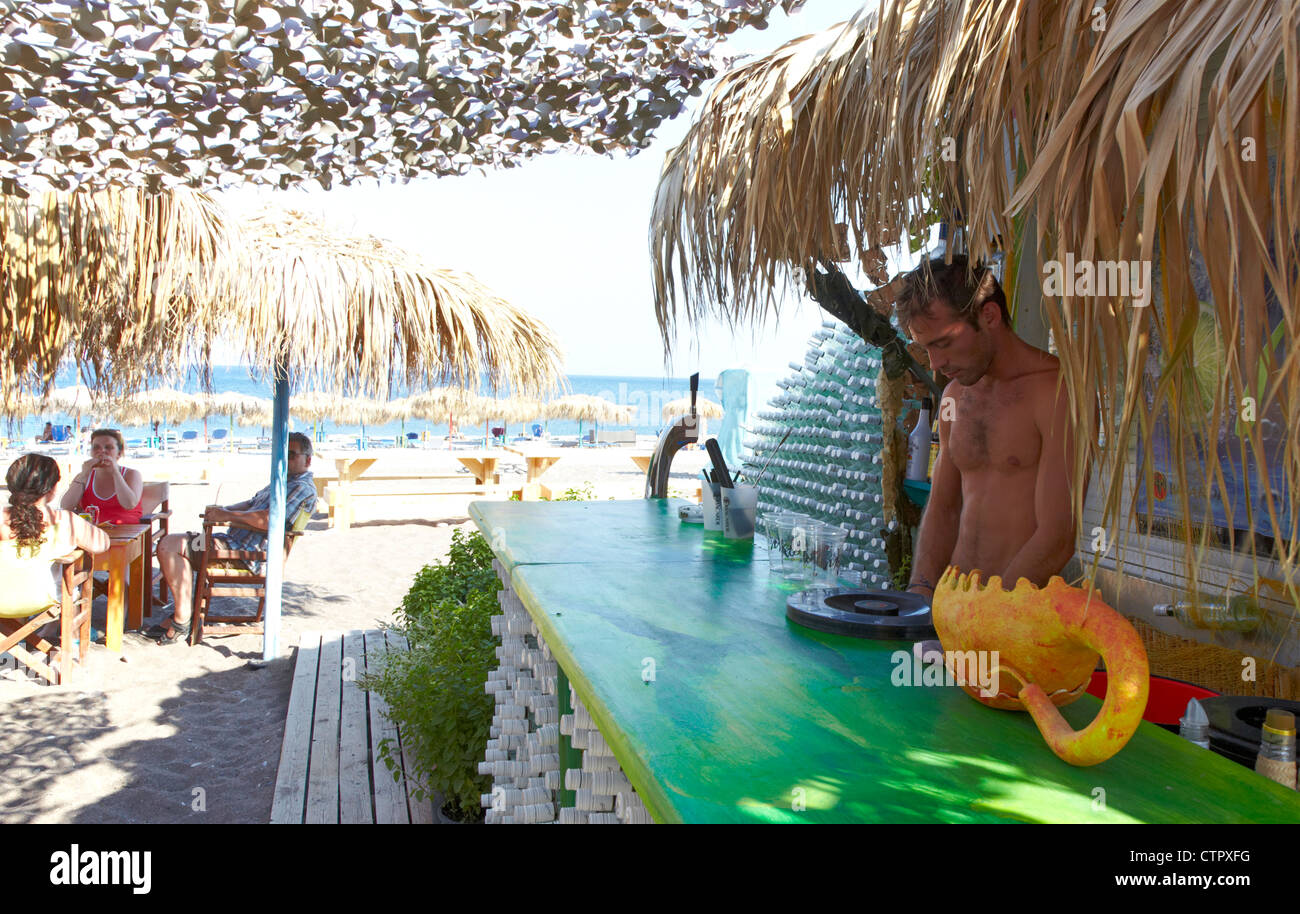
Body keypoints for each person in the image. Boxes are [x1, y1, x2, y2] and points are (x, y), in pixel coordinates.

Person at [895, 256, 1088, 599]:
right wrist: (920, 592)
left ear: (989, 316)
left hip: (1014, 616)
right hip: (953, 607)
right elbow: (942, 507)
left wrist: (987, 613)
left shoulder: (1058, 392)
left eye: (943, 343)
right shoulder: (954, 396)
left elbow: (1058, 535)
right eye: (927, 349)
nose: (936, 363)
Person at [151, 432, 317, 645]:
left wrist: (228, 516)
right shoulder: (282, 481)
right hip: (231, 544)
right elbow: (251, 504)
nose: (285, 459)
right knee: (172, 543)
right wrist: (223, 510)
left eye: (291, 455)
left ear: (308, 460)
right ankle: (185, 611)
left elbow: (271, 520)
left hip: (248, 554)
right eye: (281, 454)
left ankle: (182, 618)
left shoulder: (301, 487)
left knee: (171, 545)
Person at [1, 454, 111, 619]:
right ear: (51, 488)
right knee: (69, 585)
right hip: (41, 599)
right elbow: (101, 544)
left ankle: (17, 635)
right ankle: (70, 632)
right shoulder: (65, 520)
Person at [60, 429, 144, 525]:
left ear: (119, 453)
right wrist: (83, 475)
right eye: (96, 447)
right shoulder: (84, 476)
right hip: (93, 530)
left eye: (108, 447)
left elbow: (129, 504)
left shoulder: (132, 474)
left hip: (127, 530)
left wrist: (115, 473)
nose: (102, 451)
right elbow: (66, 506)